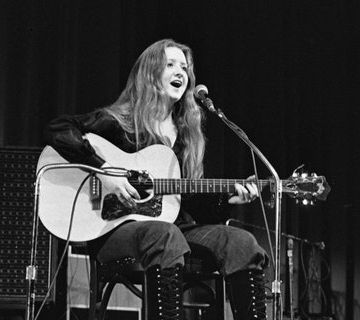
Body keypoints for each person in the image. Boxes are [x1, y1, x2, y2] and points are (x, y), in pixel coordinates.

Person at [43, 39, 269, 320]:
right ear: (150, 73)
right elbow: (58, 129)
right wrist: (105, 172)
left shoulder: (187, 138)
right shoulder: (119, 122)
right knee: (164, 235)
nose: (180, 72)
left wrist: (227, 199)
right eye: (170, 65)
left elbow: (193, 206)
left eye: (184, 68)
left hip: (173, 230)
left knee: (242, 243)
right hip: (112, 229)